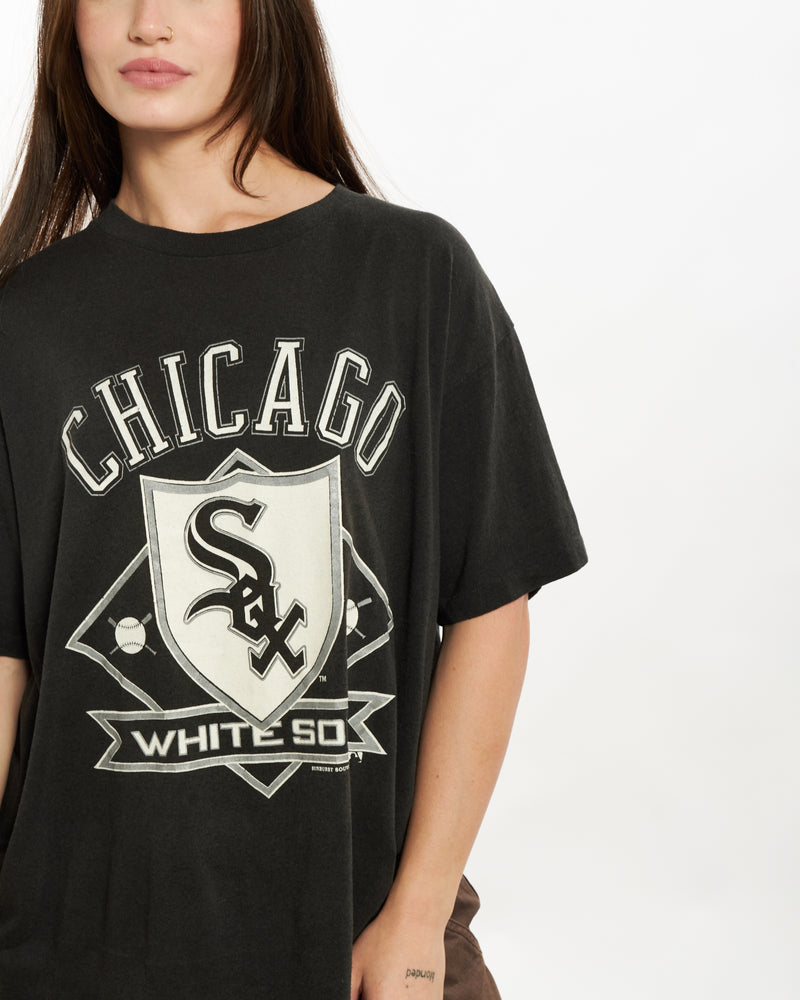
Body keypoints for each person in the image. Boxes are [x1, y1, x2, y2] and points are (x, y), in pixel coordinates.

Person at [0, 1, 587, 997]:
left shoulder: (412, 276)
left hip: (364, 935)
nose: (148, 23)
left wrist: (417, 915)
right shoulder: (22, 323)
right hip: (77, 948)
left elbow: (490, 603)